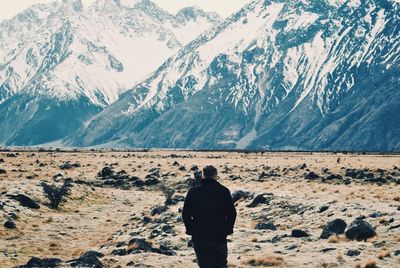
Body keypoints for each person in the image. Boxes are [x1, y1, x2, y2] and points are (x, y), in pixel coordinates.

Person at [182, 165, 237, 268]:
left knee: (203, 265)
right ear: (216, 175)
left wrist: (191, 230)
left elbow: (186, 214)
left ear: (203, 176)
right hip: (218, 236)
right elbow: (232, 213)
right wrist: (227, 230)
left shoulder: (193, 191)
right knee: (220, 264)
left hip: (199, 236)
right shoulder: (223, 191)